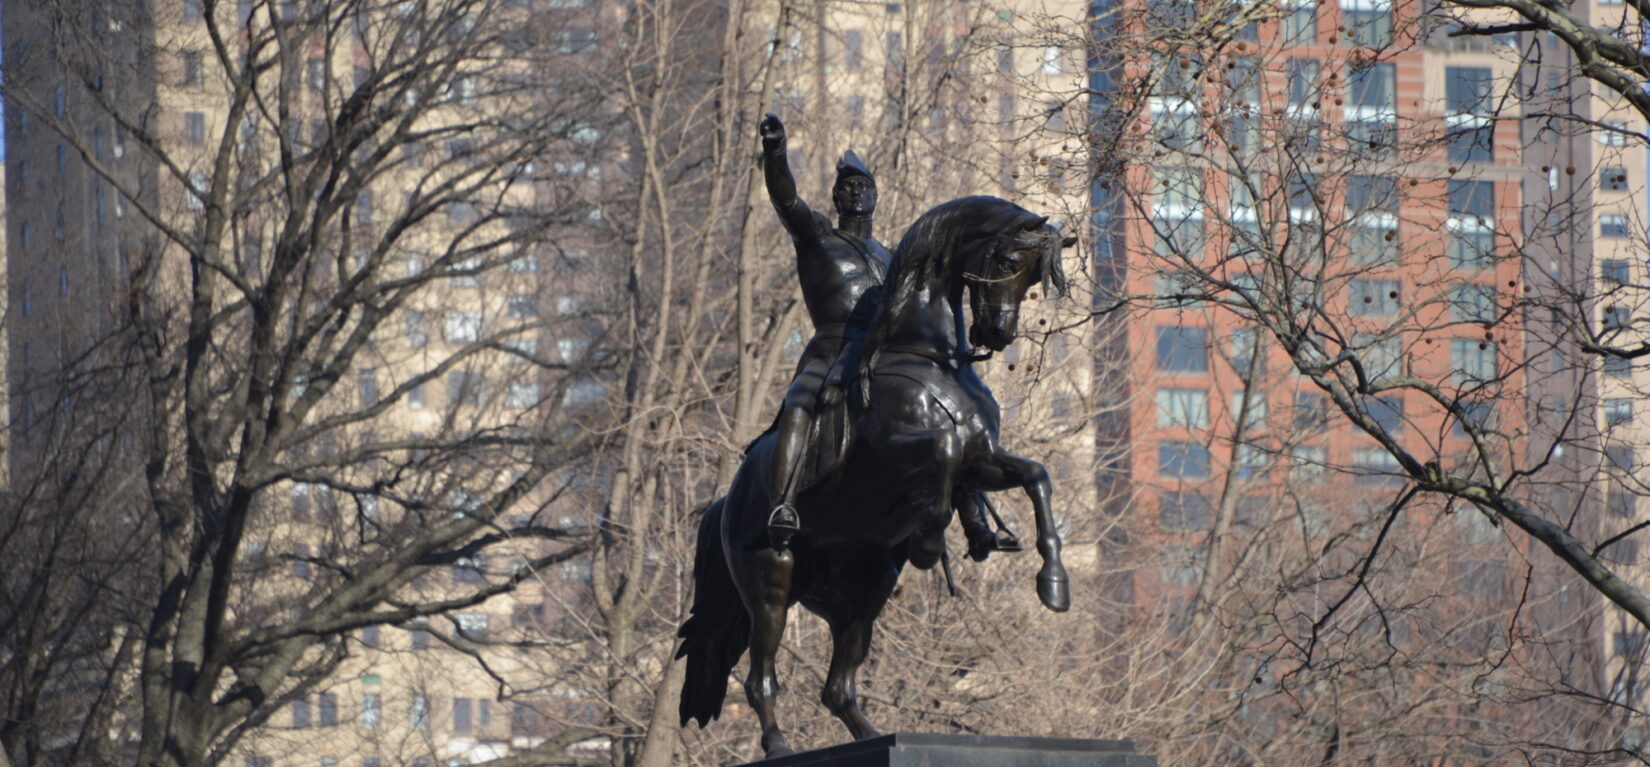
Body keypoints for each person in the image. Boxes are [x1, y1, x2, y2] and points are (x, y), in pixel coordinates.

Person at [758, 113, 889, 549]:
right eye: (846, 187)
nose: (855, 191)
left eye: (862, 186)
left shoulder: (891, 259)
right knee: (799, 404)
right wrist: (776, 153)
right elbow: (787, 200)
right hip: (830, 350)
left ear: (875, 197)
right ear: (835, 197)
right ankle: (783, 502)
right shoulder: (817, 236)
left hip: (880, 355)